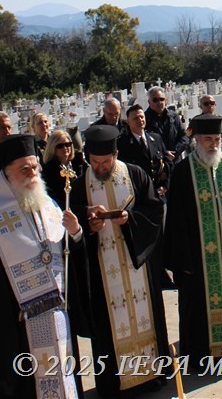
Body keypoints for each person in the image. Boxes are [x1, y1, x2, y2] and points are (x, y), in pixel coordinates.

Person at [0, 135, 90, 399]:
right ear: (7, 173)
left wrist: (76, 234)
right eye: (24, 169)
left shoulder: (46, 201)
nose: (32, 174)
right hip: (18, 325)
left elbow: (67, 255)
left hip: (57, 316)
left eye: (35, 167)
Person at [73, 125, 168, 396]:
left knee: (145, 314)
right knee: (108, 324)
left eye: (106, 162)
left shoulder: (135, 174)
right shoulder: (81, 185)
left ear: (115, 154)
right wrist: (87, 221)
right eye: (94, 162)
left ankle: (151, 375)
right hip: (103, 269)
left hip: (135, 264)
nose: (100, 167)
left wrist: (129, 220)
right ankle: (115, 383)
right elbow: (71, 219)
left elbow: (154, 210)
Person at [163, 115, 222, 370]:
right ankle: (202, 358)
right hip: (197, 262)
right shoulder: (183, 172)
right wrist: (183, 259)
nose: (213, 145)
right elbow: (176, 220)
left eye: (217, 139)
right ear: (196, 140)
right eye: (208, 140)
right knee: (198, 311)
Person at [116, 104, 170, 194]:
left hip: (159, 192)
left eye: (142, 117)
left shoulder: (156, 138)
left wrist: (165, 185)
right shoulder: (122, 144)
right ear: (128, 122)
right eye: (136, 118)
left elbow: (167, 162)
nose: (140, 120)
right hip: (139, 194)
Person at [40, 128, 88, 211]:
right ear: (53, 148)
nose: (65, 148)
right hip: (66, 210)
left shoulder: (79, 162)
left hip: (86, 204)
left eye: (68, 144)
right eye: (60, 146)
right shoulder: (49, 171)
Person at [144, 86, 189, 162]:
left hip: (176, 160)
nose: (159, 102)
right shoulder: (144, 119)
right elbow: (145, 142)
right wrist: (164, 153)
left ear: (166, 100)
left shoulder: (174, 116)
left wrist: (175, 151)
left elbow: (184, 136)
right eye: (155, 100)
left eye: (162, 99)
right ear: (149, 102)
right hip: (158, 162)